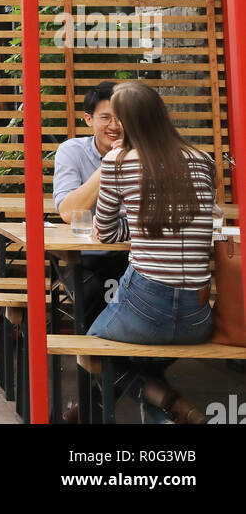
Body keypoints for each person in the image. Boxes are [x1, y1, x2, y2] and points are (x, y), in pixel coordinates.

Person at [87, 80, 215, 425]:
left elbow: (109, 232)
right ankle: (169, 413)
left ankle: (170, 404)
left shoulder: (118, 160)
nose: (113, 126)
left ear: (128, 122)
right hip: (199, 314)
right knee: (145, 355)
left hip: (146, 302)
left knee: (91, 353)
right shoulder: (202, 159)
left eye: (118, 119)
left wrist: (130, 227)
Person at [53, 81, 129, 325]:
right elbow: (67, 211)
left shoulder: (142, 152)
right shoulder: (71, 151)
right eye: (106, 118)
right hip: (85, 258)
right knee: (95, 292)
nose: (115, 126)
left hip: (135, 257)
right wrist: (110, 164)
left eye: (121, 118)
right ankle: (96, 359)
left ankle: (132, 360)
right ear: (88, 119)